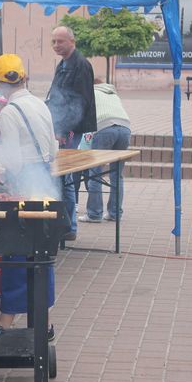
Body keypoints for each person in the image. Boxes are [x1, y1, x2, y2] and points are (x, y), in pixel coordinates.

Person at [0, 54, 58, 332]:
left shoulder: (8, 112)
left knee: (15, 256)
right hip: (45, 185)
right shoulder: (39, 104)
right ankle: (44, 323)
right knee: (41, 255)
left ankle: (5, 323)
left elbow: (14, 163)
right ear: (24, 77)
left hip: (23, 187)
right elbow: (52, 149)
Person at [46, 26, 96, 241]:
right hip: (61, 127)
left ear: (72, 41)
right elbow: (57, 97)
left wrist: (63, 130)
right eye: (54, 42)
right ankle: (64, 224)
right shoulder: (63, 64)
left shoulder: (81, 65)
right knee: (61, 177)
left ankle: (69, 227)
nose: (56, 45)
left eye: (60, 41)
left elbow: (81, 103)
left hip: (72, 130)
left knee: (65, 177)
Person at [78, 79, 131, 223]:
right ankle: (114, 213)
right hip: (125, 128)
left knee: (95, 173)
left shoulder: (90, 92)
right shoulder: (112, 93)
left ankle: (94, 214)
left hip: (104, 128)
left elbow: (81, 117)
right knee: (117, 174)